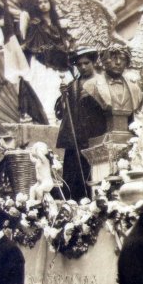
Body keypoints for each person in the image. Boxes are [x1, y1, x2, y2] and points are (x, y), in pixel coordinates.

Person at [54, 47, 106, 200]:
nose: (83, 67)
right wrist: (64, 97)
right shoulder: (72, 85)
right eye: (79, 64)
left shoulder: (102, 82)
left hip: (94, 135)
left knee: (93, 172)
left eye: (86, 63)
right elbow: (62, 112)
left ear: (93, 62)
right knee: (72, 174)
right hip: (75, 137)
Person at [80, 44, 142, 126]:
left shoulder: (135, 89)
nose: (118, 62)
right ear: (104, 61)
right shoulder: (91, 85)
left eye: (122, 59)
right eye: (113, 58)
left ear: (127, 62)